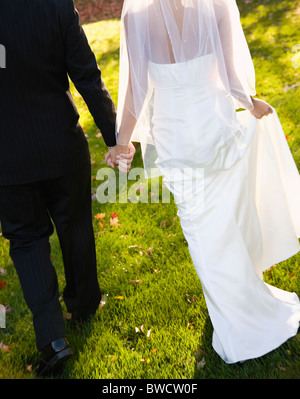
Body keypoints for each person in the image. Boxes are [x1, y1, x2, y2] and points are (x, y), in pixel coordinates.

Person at [105, 0, 300, 364]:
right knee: (226, 224)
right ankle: (244, 309)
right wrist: (251, 103)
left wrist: (122, 142)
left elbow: (137, 89)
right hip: (214, 130)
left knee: (203, 233)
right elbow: (229, 77)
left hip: (176, 140)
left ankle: (236, 322)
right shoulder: (217, 6)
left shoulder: (136, 16)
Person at [0, 0, 134, 375]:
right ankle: (84, 303)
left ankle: (52, 339)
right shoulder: (55, 4)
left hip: (8, 156)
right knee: (74, 224)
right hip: (61, 144)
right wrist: (116, 138)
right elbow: (87, 75)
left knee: (26, 240)